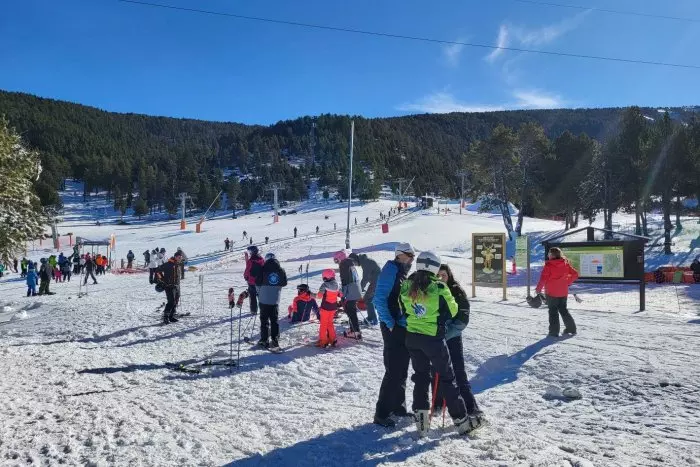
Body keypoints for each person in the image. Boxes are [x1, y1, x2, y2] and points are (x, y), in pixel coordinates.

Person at [400, 251, 475, 437]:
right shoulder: (439, 287)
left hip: (412, 337)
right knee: (447, 378)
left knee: (421, 377)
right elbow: (453, 310)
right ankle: (461, 420)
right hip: (433, 339)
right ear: (434, 266)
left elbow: (402, 308)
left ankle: (422, 423)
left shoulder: (407, 284)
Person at [373, 242, 415, 427]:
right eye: (409, 255)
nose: (412, 258)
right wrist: (389, 323)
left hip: (401, 325)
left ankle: (398, 408)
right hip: (392, 326)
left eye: (413, 255)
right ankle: (382, 413)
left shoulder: (402, 271)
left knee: (402, 369)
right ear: (399, 255)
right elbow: (379, 298)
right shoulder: (391, 269)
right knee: (393, 370)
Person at [436, 264, 482, 419]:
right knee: (436, 372)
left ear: (449, 275)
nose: (441, 278)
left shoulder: (455, 290)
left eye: (443, 275)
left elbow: (463, 317)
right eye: (438, 275)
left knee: (458, 372)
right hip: (436, 337)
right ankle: (437, 402)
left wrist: (449, 332)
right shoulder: (432, 290)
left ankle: (471, 407)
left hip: (452, 336)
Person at [536, 247, 579, 337]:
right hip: (563, 292)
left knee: (553, 311)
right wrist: (567, 282)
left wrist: (538, 289)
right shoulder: (565, 263)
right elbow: (575, 274)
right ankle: (571, 329)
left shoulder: (549, 265)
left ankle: (554, 332)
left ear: (552, 255)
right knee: (564, 310)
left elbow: (543, 279)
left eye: (549, 253)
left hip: (552, 293)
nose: (548, 254)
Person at [254, 252, 287, 349]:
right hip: (275, 299)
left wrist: (259, 292)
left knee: (264, 320)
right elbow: (284, 283)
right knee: (274, 320)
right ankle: (275, 340)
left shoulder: (262, 269)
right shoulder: (280, 270)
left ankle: (264, 340)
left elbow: (257, 283)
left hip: (263, 299)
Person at [335, 251, 362, 339]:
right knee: (352, 311)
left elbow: (345, 281)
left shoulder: (343, 265)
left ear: (340, 258)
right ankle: (354, 330)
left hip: (350, 291)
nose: (336, 262)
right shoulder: (351, 263)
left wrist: (343, 295)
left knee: (350, 311)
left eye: (336, 260)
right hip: (356, 289)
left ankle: (355, 331)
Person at [350, 253, 380, 325]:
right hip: (376, 281)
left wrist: (359, 289)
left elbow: (365, 278)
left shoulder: (366, 262)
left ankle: (372, 319)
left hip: (377, 282)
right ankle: (372, 318)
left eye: (353, 262)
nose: (354, 265)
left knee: (368, 299)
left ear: (355, 259)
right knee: (369, 299)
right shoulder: (364, 261)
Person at [156, 251, 183, 324]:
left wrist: (178, 285)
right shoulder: (168, 264)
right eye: (179, 257)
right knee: (171, 302)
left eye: (181, 257)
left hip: (176, 286)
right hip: (169, 286)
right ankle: (165, 318)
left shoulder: (178, 265)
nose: (180, 258)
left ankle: (171, 316)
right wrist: (162, 280)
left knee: (175, 301)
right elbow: (158, 271)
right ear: (175, 257)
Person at [316, 270, 340, 347]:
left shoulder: (325, 285)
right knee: (330, 323)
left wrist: (311, 294)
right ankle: (333, 339)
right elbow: (340, 295)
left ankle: (323, 341)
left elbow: (319, 296)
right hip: (333, 307)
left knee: (323, 324)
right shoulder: (337, 285)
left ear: (325, 277)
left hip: (325, 307)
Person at [244, 245, 265, 315]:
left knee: (252, 296)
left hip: (252, 282)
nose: (249, 253)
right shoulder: (261, 259)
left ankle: (254, 310)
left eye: (250, 251)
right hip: (260, 281)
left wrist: (245, 277)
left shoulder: (251, 261)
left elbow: (247, 270)